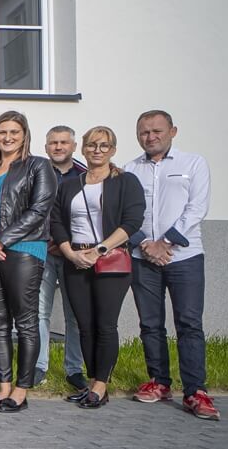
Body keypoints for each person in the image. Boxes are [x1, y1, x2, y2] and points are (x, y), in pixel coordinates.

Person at [0, 110, 58, 413]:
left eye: (14, 132)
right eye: (2, 132)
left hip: (23, 251)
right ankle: (3, 387)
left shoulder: (37, 166)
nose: (7, 138)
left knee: (26, 321)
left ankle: (21, 389)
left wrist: (1, 240)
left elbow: (39, 209)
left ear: (24, 135)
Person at [126, 110, 216, 419]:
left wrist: (166, 243)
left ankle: (196, 392)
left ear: (172, 131)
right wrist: (144, 244)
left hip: (184, 258)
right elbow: (124, 213)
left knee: (189, 323)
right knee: (150, 324)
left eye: (156, 131)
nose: (150, 137)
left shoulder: (193, 164)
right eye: (143, 132)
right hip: (142, 256)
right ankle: (159, 382)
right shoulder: (130, 169)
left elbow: (197, 208)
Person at [51, 126, 145, 410]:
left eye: (104, 146)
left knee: (105, 324)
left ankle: (101, 384)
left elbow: (132, 221)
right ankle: (92, 380)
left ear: (113, 150)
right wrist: (69, 252)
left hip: (110, 260)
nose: (97, 151)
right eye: (92, 145)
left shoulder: (126, 181)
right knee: (84, 325)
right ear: (83, 148)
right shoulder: (71, 184)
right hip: (75, 260)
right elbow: (56, 220)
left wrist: (100, 249)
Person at [37, 125, 88, 389]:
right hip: (42, 251)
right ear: (46, 147)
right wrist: (48, 242)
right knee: (39, 312)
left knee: (75, 314)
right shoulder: (37, 172)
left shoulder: (85, 175)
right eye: (53, 143)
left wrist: (66, 244)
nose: (58, 147)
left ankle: (73, 368)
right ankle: (39, 366)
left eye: (63, 142)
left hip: (74, 253)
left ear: (73, 146)